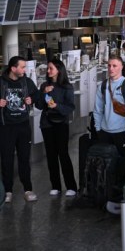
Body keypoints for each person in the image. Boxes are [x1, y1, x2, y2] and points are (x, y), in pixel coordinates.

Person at [0, 56, 40, 203]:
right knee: (6, 159)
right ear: (13, 68)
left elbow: (36, 95)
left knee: (24, 158)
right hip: (6, 127)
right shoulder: (1, 82)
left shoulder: (26, 81)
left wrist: (32, 99)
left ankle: (28, 189)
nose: (25, 70)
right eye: (22, 67)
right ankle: (8, 191)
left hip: (23, 126)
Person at [36, 59, 78, 197]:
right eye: (48, 68)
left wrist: (57, 106)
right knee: (51, 155)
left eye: (51, 68)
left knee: (63, 154)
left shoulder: (67, 87)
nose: (48, 71)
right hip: (47, 124)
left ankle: (71, 186)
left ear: (59, 70)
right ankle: (56, 186)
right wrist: (43, 93)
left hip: (61, 124)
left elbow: (70, 107)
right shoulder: (44, 85)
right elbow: (39, 105)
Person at [94, 55, 125, 160]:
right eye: (109, 65)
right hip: (104, 133)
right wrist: (98, 129)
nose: (111, 69)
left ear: (122, 67)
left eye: (114, 66)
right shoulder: (102, 86)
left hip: (122, 133)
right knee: (104, 167)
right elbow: (98, 110)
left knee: (122, 166)